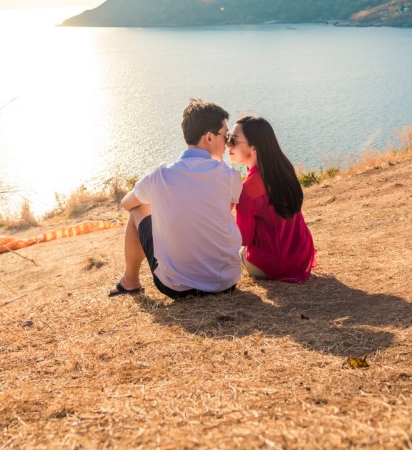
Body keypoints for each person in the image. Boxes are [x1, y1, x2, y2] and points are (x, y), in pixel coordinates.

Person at [109, 99, 243, 300]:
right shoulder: (230, 176)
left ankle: (130, 282)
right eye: (225, 135)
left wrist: (163, 202)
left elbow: (127, 204)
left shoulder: (159, 177)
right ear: (208, 137)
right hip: (226, 283)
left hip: (177, 287)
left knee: (138, 209)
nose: (227, 142)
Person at [228, 115, 316, 282]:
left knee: (239, 252)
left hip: (272, 265)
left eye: (233, 141)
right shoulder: (284, 169)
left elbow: (244, 239)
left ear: (253, 148)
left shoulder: (246, 191)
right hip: (302, 255)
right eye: (227, 139)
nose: (227, 145)